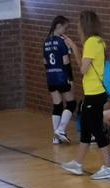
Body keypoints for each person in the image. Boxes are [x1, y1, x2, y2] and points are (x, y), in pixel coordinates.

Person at [60, 10, 110, 180]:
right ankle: (77, 163)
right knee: (85, 127)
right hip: (92, 92)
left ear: (84, 25)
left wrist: (75, 49)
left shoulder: (91, 42)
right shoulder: (99, 41)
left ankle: (108, 167)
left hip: (95, 92)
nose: (77, 26)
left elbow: (83, 69)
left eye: (79, 23)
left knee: (96, 129)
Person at [43, 15, 76, 144]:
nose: (66, 31)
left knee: (57, 104)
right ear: (58, 26)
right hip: (62, 76)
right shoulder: (62, 42)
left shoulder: (46, 41)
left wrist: (51, 72)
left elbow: (45, 61)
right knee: (71, 103)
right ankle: (61, 130)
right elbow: (66, 61)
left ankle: (56, 137)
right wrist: (70, 78)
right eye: (65, 28)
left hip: (50, 76)